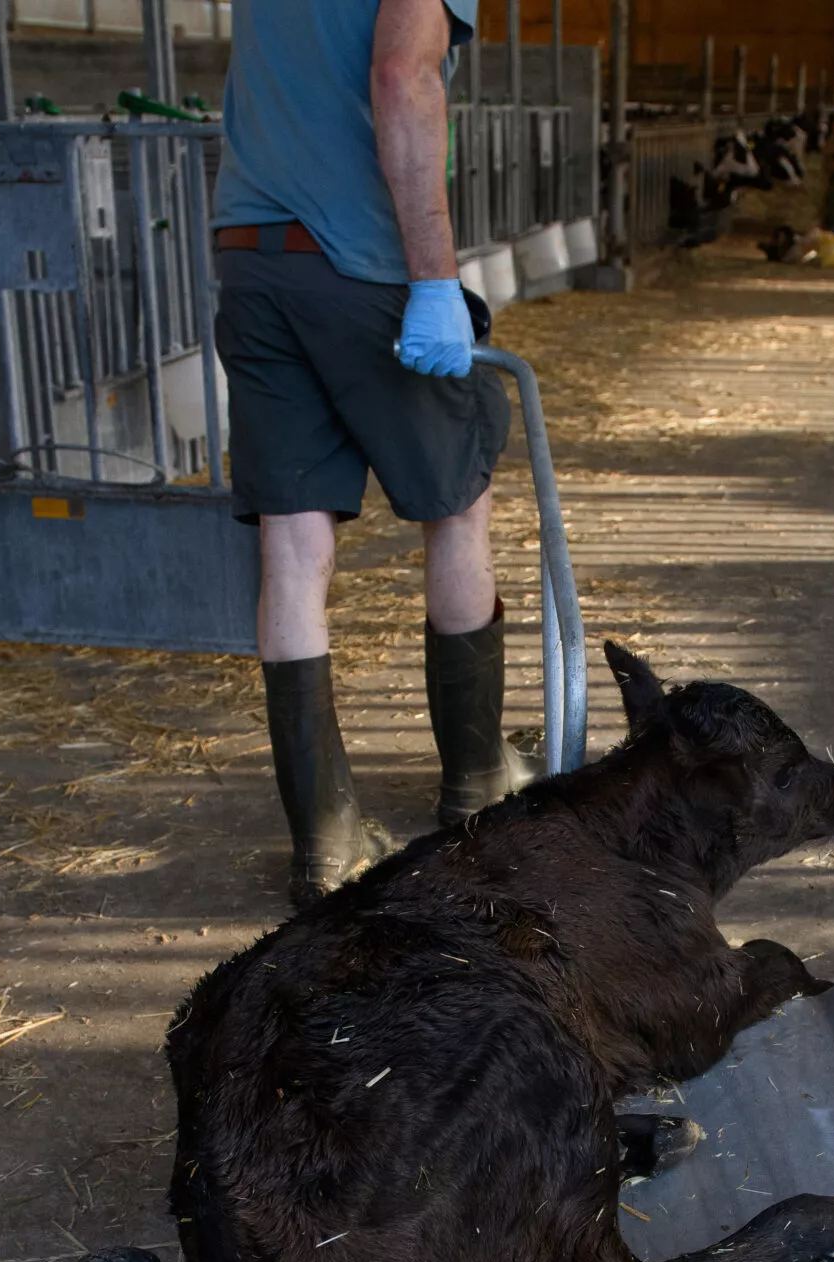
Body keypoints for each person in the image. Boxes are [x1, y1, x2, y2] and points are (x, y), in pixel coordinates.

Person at [211, 0, 528, 906]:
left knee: (292, 538)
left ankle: (324, 839)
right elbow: (401, 78)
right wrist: (433, 283)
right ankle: (475, 779)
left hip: (251, 254)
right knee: (457, 499)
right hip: (358, 256)